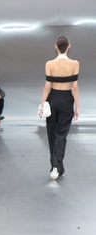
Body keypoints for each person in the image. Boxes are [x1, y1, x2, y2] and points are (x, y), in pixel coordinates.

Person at [40, 35, 79, 180]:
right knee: (61, 135)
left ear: (56, 47)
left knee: (52, 134)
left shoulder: (49, 64)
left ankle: (55, 167)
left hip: (52, 99)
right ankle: (57, 166)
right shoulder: (75, 64)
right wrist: (77, 107)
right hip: (67, 100)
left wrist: (42, 105)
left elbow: (47, 87)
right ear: (69, 46)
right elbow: (74, 87)